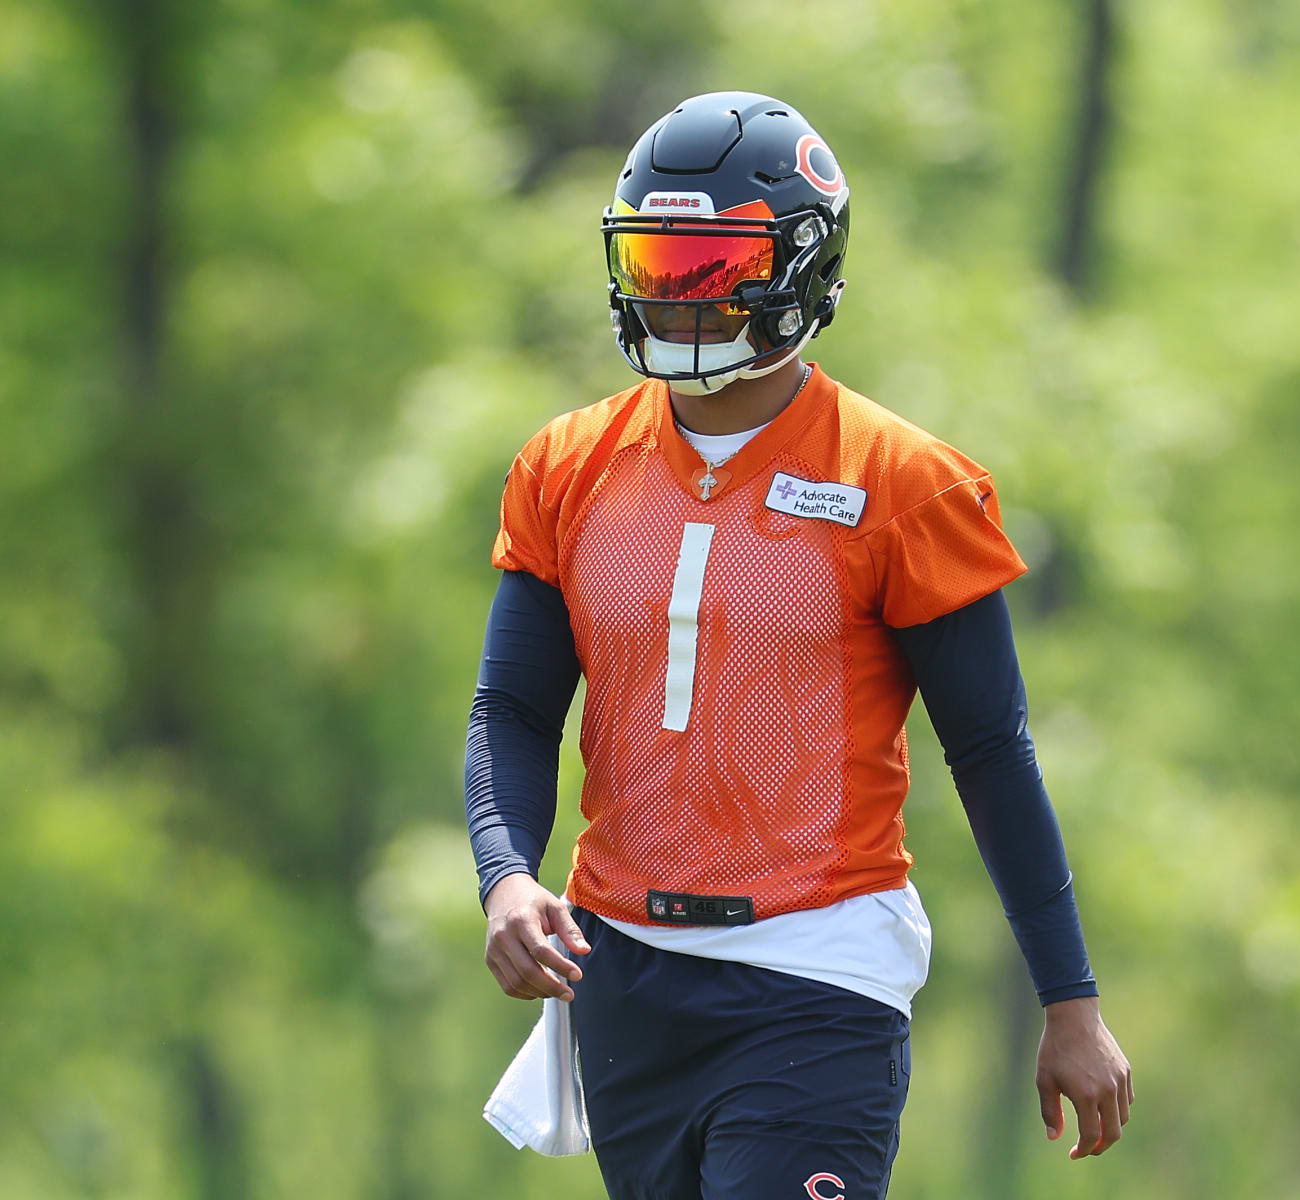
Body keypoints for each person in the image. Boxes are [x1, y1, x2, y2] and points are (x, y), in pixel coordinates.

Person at [465, 91, 1132, 1199]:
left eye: (710, 265)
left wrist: (1071, 999)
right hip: (623, 975)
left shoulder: (906, 483)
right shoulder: (566, 465)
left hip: (816, 972)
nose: (678, 299)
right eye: (656, 263)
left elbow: (991, 749)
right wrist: (504, 877)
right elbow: (515, 712)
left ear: (801, 267)